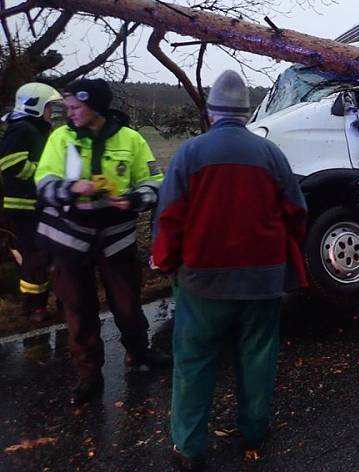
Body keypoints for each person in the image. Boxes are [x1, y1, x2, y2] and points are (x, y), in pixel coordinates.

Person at [152, 70, 307, 471]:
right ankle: (254, 431)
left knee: (193, 362)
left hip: (203, 282)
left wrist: (167, 263)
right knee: (257, 357)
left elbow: (168, 217)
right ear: (245, 111)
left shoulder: (190, 154)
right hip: (262, 281)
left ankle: (188, 448)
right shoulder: (271, 154)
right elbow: (297, 212)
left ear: (210, 110)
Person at [35, 78, 170, 407]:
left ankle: (139, 353)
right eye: (68, 108)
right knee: (78, 308)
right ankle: (88, 375)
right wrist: (72, 189)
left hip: (116, 237)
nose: (71, 114)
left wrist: (134, 199)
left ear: (95, 107)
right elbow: (44, 184)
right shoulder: (60, 139)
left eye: (76, 108)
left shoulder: (131, 139)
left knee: (127, 303)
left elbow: (154, 182)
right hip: (69, 238)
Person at [0, 82, 62, 322]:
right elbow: (9, 164)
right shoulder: (22, 128)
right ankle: (34, 306)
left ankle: (49, 303)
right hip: (25, 205)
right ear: (35, 106)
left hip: (38, 203)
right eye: (48, 107)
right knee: (34, 256)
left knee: (47, 254)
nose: (52, 113)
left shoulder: (37, 128)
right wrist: (45, 174)